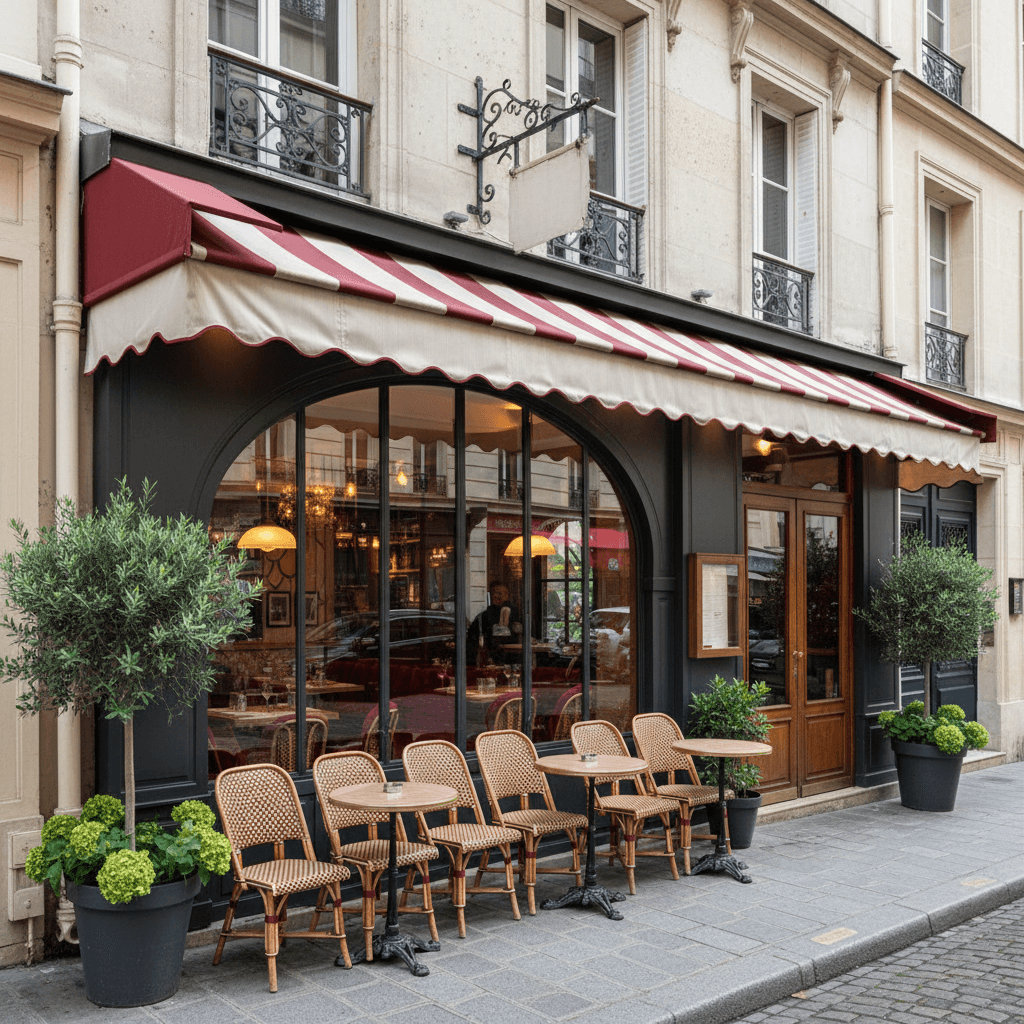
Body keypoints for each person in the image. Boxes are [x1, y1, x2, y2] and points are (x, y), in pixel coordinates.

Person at [467, 580, 521, 664]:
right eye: (494, 593)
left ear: (507, 595)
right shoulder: (485, 615)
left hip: (512, 656)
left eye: (500, 593)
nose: (497, 596)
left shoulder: (514, 613)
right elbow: (473, 635)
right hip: (490, 657)